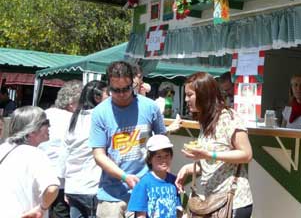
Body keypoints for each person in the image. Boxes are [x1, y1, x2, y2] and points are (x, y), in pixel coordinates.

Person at [89, 61, 167, 218]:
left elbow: (162, 145)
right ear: (109, 86)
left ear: (134, 83)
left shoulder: (150, 107)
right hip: (112, 196)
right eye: (115, 90)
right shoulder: (99, 113)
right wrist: (124, 176)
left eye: (126, 88)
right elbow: (99, 155)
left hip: (146, 192)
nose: (122, 94)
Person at [176, 72, 253, 218]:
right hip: (213, 202)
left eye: (190, 95)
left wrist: (208, 154)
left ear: (204, 94)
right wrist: (188, 169)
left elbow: (246, 154)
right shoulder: (206, 121)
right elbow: (211, 163)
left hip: (233, 201)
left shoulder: (229, 117)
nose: (186, 99)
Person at [0, 106, 60, 218]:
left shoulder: (2, 149)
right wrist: (42, 208)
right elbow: (52, 189)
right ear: (32, 130)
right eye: (46, 122)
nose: (49, 126)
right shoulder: (35, 154)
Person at [64, 80, 109, 218]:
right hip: (93, 186)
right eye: (109, 94)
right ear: (97, 97)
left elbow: (66, 152)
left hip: (73, 186)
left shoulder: (74, 118)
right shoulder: (100, 117)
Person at [40, 80, 83, 218]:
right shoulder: (75, 120)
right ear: (71, 104)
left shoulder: (44, 114)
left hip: (41, 179)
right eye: (81, 103)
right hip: (62, 183)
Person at [128, 134, 182, 218]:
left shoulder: (175, 181)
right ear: (149, 159)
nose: (163, 160)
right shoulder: (143, 184)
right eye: (159, 156)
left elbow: (178, 210)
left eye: (166, 155)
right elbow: (140, 215)